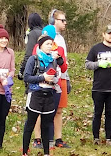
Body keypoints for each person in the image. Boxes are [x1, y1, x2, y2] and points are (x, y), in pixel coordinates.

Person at [85, 24, 111, 147]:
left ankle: (108, 139)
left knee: (110, 114)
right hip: (98, 86)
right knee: (97, 112)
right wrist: (99, 64)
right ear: (103, 34)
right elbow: (87, 64)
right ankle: (96, 137)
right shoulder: (96, 48)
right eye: (109, 33)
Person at [22, 34, 60, 156]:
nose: (50, 47)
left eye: (51, 44)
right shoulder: (33, 59)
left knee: (46, 125)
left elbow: (56, 77)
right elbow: (26, 77)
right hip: (35, 94)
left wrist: (53, 80)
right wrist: (42, 77)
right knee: (31, 123)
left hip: (49, 94)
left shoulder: (53, 61)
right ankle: (24, 151)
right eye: (47, 44)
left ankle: (46, 153)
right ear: (40, 45)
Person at [49, 9, 70, 148]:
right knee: (44, 109)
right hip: (49, 77)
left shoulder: (61, 38)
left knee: (59, 109)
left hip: (61, 77)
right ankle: (41, 138)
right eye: (62, 20)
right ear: (53, 21)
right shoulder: (48, 36)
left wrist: (67, 78)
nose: (65, 23)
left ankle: (58, 139)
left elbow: (64, 61)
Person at [19, 13, 43, 82]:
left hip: (35, 66)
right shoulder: (44, 32)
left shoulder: (33, 34)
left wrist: (22, 70)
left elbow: (29, 53)